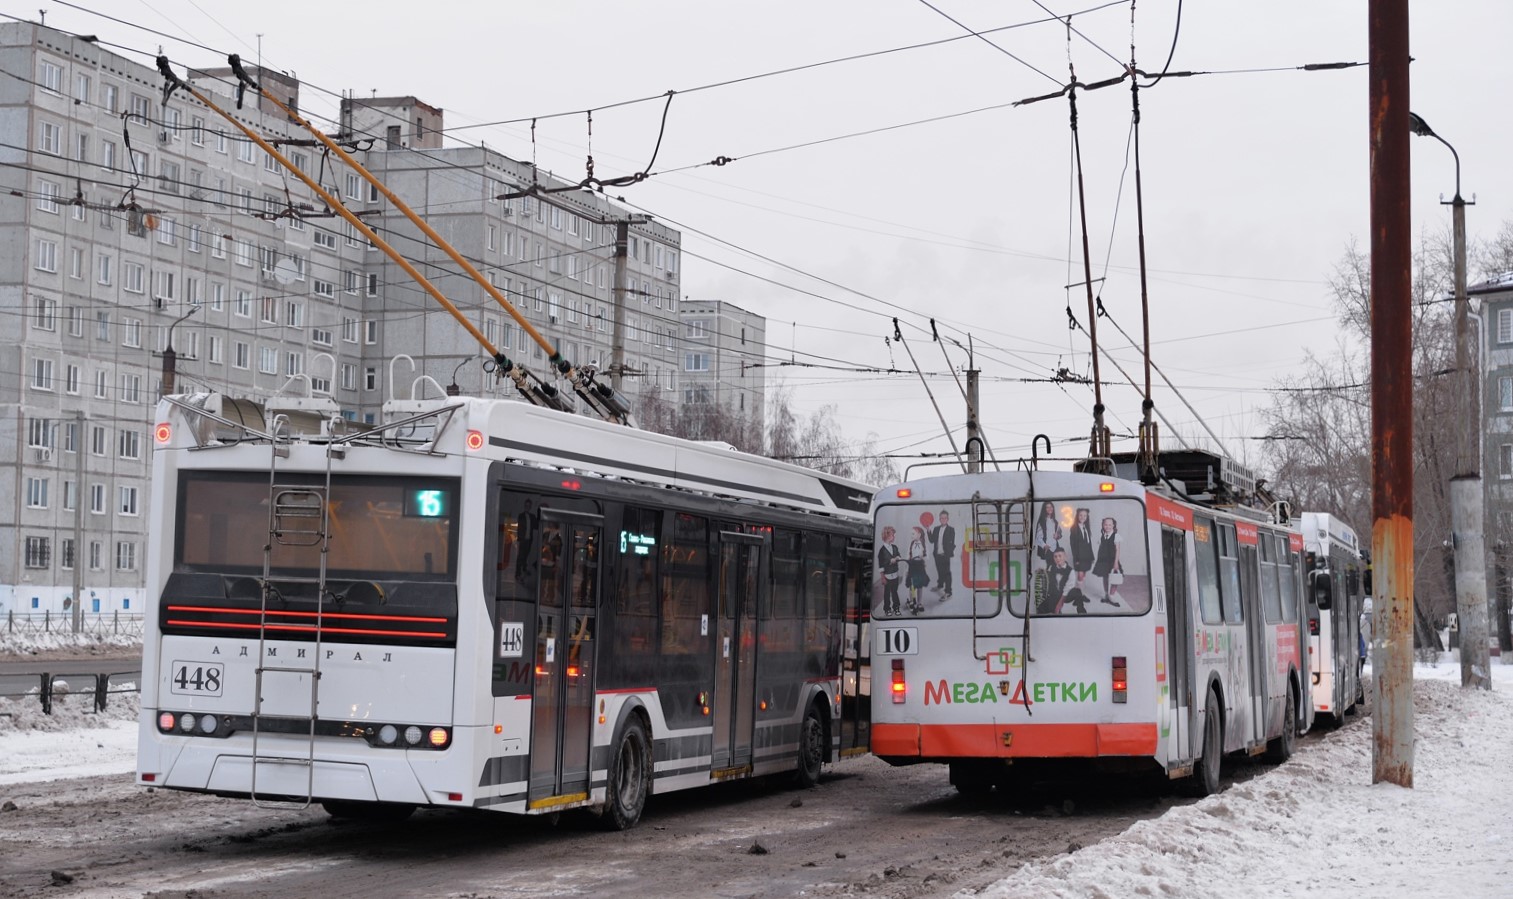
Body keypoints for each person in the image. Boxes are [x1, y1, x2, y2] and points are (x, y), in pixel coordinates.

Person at [1038, 548, 1087, 614]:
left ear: (1065, 557)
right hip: (1055, 595)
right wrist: (1042, 571)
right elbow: (1049, 578)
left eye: (1060, 556)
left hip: (1066, 595)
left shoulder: (1070, 571)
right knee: (1041, 608)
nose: (1058, 559)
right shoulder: (1052, 568)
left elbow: (1066, 591)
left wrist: (1059, 605)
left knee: (1077, 592)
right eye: (1055, 556)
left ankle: (1082, 613)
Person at [1091, 516, 1122, 606]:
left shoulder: (1116, 536)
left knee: (1114, 578)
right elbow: (1101, 548)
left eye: (1109, 525)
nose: (1107, 526)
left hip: (1112, 560)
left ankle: (1112, 596)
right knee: (1105, 577)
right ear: (1103, 525)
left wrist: (1116, 562)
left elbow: (1117, 550)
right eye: (1105, 525)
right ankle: (1106, 595)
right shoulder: (1102, 535)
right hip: (1103, 561)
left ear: (1113, 526)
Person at [930, 510, 956, 599]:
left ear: (947, 519)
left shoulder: (951, 530)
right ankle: (940, 585)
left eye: (945, 518)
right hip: (937, 555)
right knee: (940, 571)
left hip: (945, 555)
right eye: (941, 518)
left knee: (947, 573)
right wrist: (928, 530)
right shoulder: (936, 529)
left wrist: (948, 553)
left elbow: (952, 543)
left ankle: (948, 592)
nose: (943, 519)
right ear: (939, 519)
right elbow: (932, 540)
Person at [877, 526, 902, 616]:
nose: (894, 537)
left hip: (895, 574)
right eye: (892, 535)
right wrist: (882, 577)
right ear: (887, 536)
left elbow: (898, 555)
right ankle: (887, 608)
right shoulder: (882, 551)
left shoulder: (894, 547)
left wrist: (898, 557)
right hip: (887, 576)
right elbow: (881, 566)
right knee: (887, 593)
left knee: (895, 592)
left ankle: (896, 607)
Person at [906, 526, 930, 614]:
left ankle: (919, 602)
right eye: (911, 534)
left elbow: (927, 557)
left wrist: (922, 557)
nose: (911, 535)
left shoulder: (924, 545)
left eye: (913, 534)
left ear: (919, 534)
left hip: (920, 566)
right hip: (912, 565)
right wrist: (907, 566)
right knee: (911, 585)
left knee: (919, 585)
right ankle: (912, 601)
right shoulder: (911, 544)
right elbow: (907, 555)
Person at [1069, 507, 1095, 585]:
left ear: (1087, 517)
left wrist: (1092, 556)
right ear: (1077, 516)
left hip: (1087, 556)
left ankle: (1080, 588)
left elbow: (1089, 543)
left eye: (1085, 516)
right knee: (1080, 573)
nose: (1082, 517)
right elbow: (1073, 545)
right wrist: (1076, 558)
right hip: (1079, 556)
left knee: (1084, 572)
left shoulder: (1086, 527)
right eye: (1080, 515)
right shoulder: (1074, 528)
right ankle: (1078, 591)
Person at [514, 499, 535, 582]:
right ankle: (518, 574)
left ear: (530, 507)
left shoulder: (532, 516)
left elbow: (536, 525)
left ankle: (524, 569)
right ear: (524, 506)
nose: (527, 507)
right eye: (526, 505)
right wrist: (519, 539)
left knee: (526, 556)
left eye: (529, 506)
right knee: (520, 557)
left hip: (529, 540)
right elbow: (519, 528)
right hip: (523, 540)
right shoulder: (521, 516)